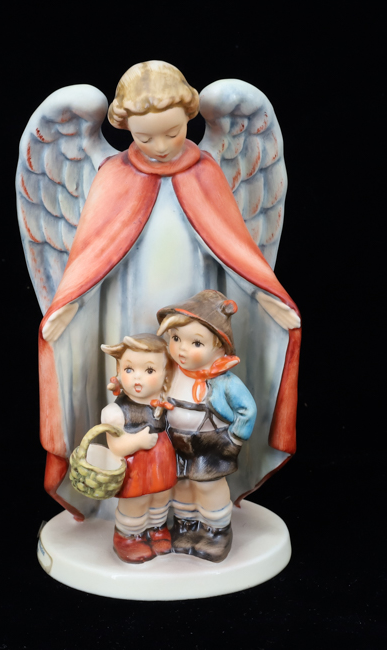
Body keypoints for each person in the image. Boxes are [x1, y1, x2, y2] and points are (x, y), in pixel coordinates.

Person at [37, 61, 301, 521]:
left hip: (195, 303)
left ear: (190, 118)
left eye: (173, 133)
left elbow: (234, 248)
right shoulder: (112, 176)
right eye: (145, 137)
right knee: (138, 391)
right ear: (126, 129)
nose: (160, 147)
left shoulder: (207, 172)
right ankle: (134, 501)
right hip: (127, 304)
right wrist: (69, 302)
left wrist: (265, 295)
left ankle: (192, 492)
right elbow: (90, 255)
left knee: (193, 395)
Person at [156, 290, 256, 562]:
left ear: (220, 347)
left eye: (196, 343)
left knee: (209, 487)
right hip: (175, 442)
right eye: (176, 338)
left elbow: (247, 410)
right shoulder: (171, 372)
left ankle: (216, 530)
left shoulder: (224, 381)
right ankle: (186, 526)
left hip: (210, 443)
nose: (182, 349)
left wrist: (234, 439)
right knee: (181, 485)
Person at [101, 333, 176, 563]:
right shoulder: (116, 412)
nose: (137, 377)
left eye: (149, 370)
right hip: (135, 466)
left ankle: (157, 529)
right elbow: (115, 446)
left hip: (161, 461)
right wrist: (137, 442)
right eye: (129, 369)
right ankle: (129, 536)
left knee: (161, 498)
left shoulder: (164, 403)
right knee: (136, 502)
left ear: (166, 374)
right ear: (118, 370)